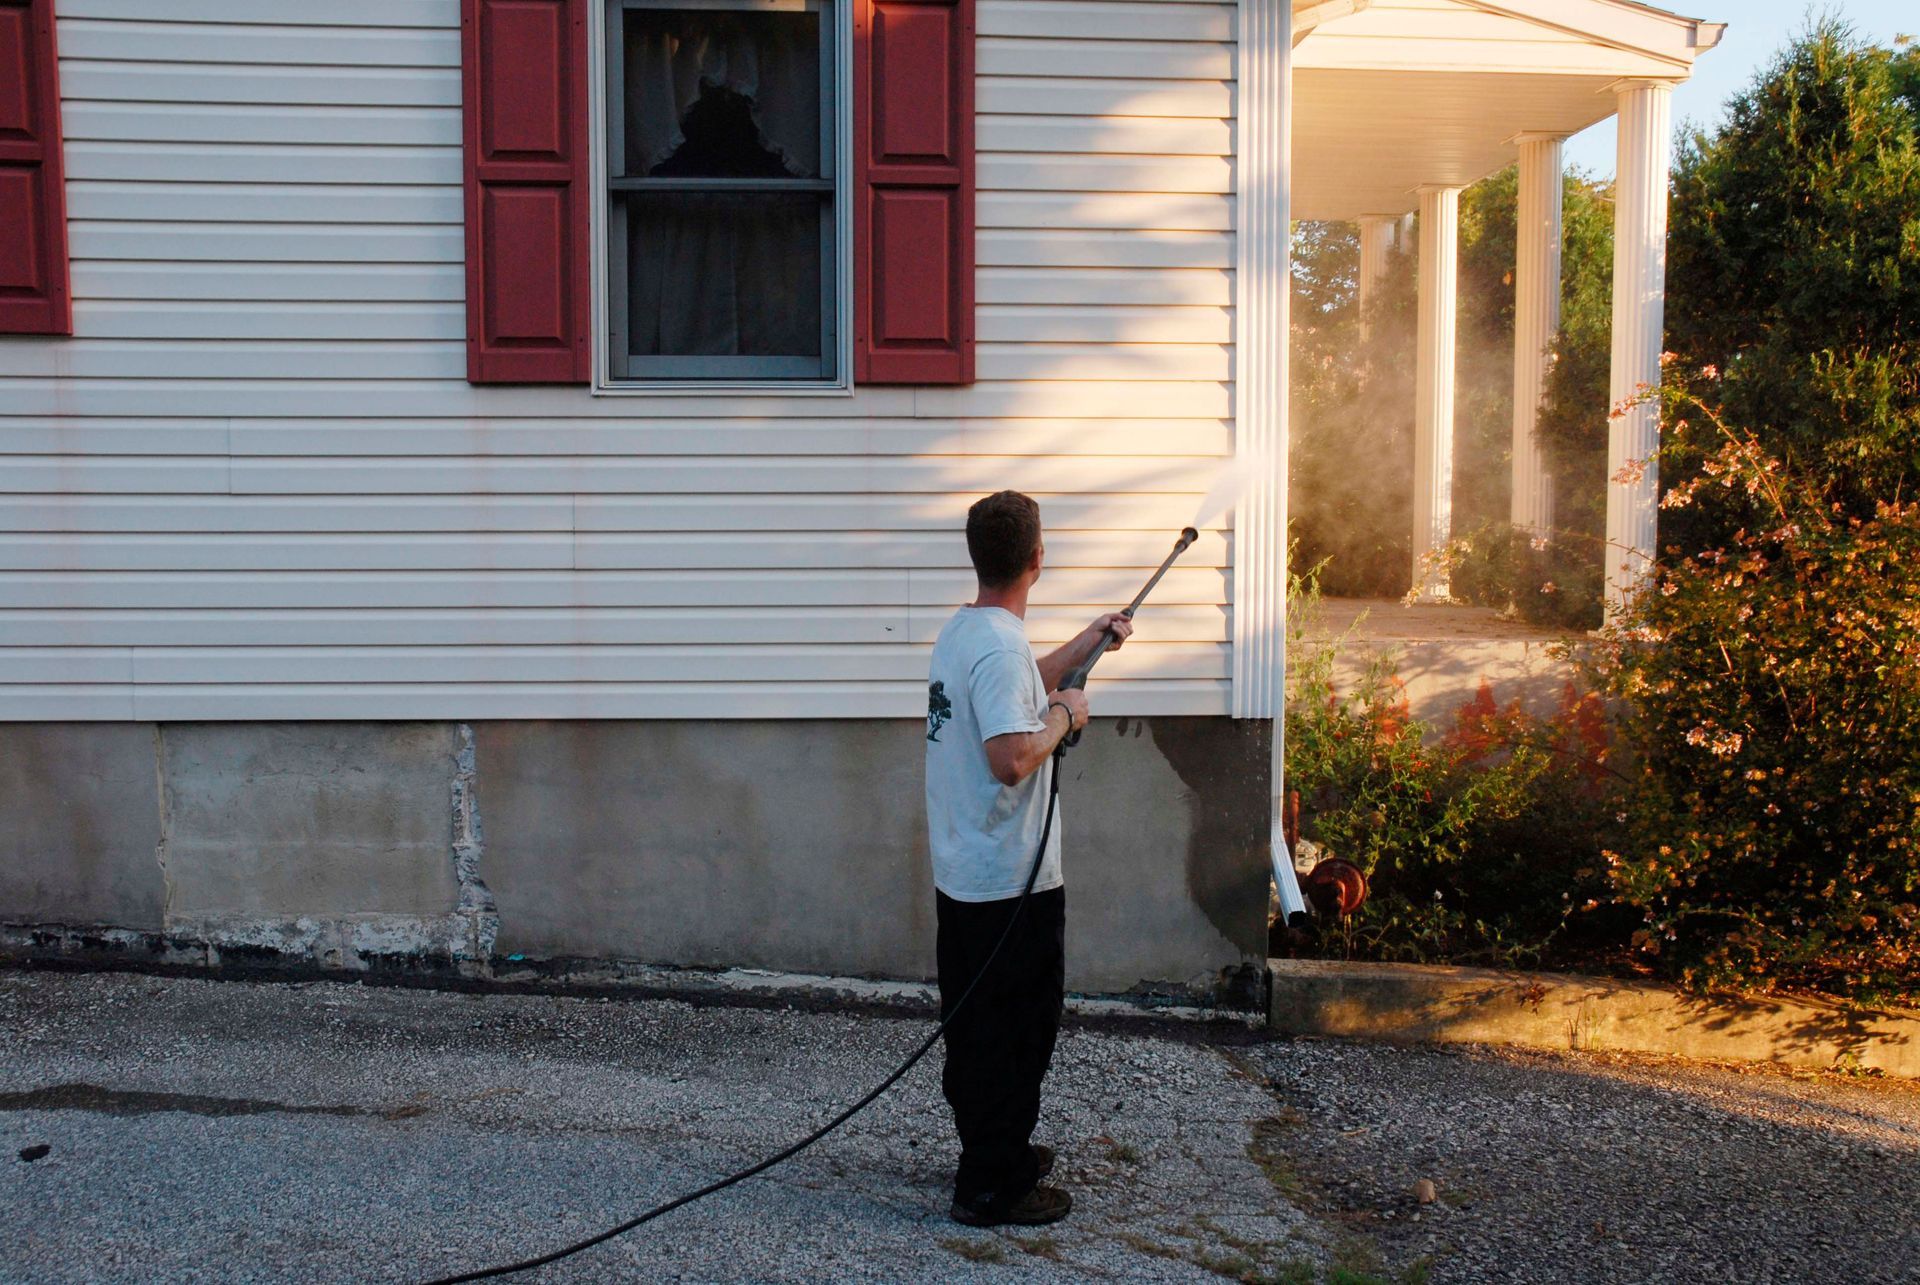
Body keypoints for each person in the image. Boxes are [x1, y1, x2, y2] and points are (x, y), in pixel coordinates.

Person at [924, 489, 1134, 1227]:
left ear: (978, 556)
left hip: (967, 874)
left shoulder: (966, 633)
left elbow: (1016, 688)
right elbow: (1013, 754)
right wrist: (1069, 714)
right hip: (1010, 883)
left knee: (980, 1027)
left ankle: (993, 1145)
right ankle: (991, 1183)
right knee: (1018, 1030)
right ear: (1038, 559)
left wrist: (1087, 642)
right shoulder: (999, 645)